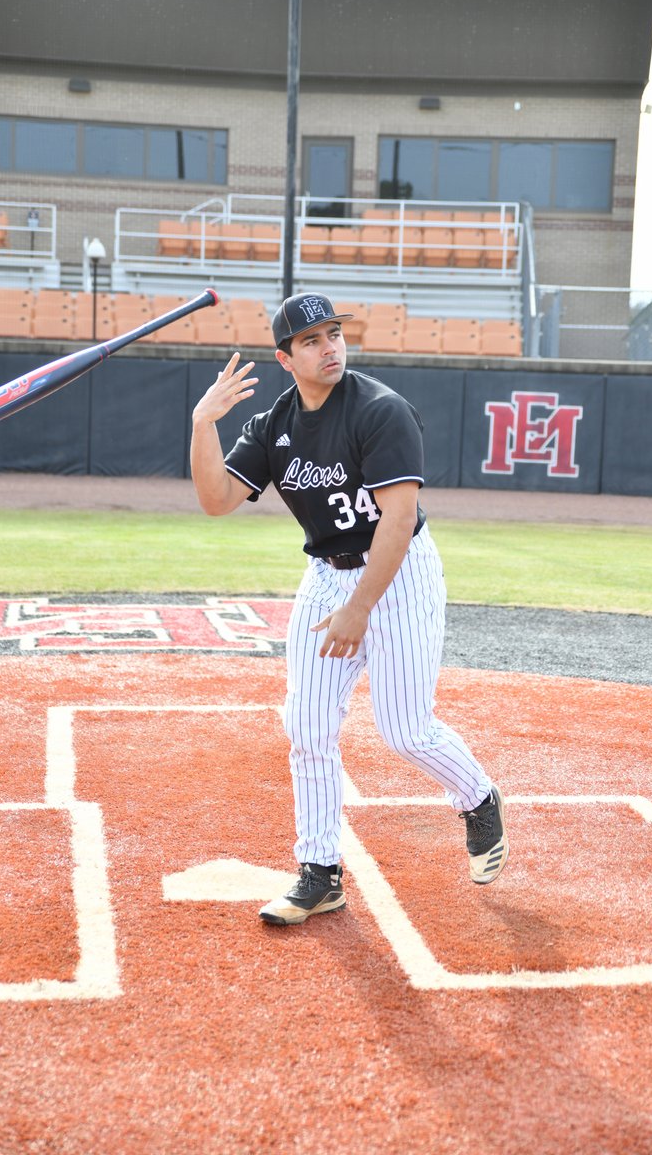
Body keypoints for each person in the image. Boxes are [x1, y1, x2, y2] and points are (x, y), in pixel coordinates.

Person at [190, 292, 508, 925]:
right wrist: (203, 424)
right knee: (306, 726)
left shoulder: (380, 411)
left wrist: (360, 609)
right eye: (311, 340)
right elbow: (217, 499)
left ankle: (477, 797)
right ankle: (320, 872)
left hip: (400, 573)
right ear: (286, 358)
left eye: (333, 333)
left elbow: (396, 520)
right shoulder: (275, 424)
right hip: (327, 575)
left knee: (405, 729)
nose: (329, 345)